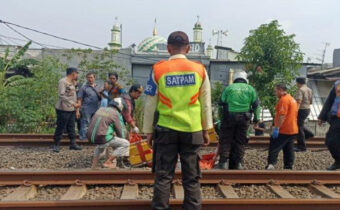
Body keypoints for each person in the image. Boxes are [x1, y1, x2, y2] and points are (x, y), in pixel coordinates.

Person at [143, 31, 212, 210]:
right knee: (192, 176)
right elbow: (205, 104)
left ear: (168, 48)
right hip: (192, 129)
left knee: (164, 175)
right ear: (188, 48)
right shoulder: (199, 69)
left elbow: (150, 103)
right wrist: (207, 130)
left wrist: (148, 131)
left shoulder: (158, 69)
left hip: (166, 129)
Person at [216, 71, 260, 170]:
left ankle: (223, 163)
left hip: (228, 117)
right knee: (241, 141)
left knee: (226, 139)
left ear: (235, 79)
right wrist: (256, 119)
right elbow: (256, 106)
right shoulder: (251, 89)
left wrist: (220, 118)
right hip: (244, 119)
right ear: (245, 79)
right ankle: (238, 163)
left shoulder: (229, 88)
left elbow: (220, 104)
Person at [87, 97, 130, 169]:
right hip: (102, 137)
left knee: (100, 145)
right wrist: (122, 139)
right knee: (125, 143)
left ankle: (94, 166)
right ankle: (108, 162)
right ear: (120, 106)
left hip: (90, 136)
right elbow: (120, 132)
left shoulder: (100, 109)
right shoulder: (116, 113)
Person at [266, 83, 298, 170]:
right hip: (293, 129)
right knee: (288, 149)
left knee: (274, 146)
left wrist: (277, 128)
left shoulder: (284, 100)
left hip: (284, 129)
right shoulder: (291, 99)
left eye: (275, 91)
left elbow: (282, 116)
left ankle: (271, 164)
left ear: (280, 90)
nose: (275, 93)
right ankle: (288, 166)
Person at [53, 67, 82, 153]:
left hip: (72, 109)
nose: (77, 75)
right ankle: (56, 144)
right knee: (61, 126)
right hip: (63, 108)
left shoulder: (72, 83)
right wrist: (73, 103)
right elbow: (61, 95)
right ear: (73, 73)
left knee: (71, 126)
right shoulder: (63, 81)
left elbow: (74, 95)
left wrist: (76, 108)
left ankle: (73, 143)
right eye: (76, 73)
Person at [318, 80, 340, 170]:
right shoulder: (337, 85)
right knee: (330, 141)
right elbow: (329, 101)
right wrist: (322, 116)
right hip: (337, 118)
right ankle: (338, 160)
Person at [77, 72, 102, 140]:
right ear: (86, 78)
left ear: (94, 78)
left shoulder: (99, 87)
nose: (90, 79)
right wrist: (78, 110)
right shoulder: (83, 87)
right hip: (86, 108)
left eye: (91, 77)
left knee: (95, 124)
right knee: (85, 123)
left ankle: (93, 138)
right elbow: (79, 98)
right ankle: (83, 138)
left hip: (96, 108)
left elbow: (102, 97)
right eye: (88, 78)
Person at [294, 77, 314, 152]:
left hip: (301, 109)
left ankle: (302, 147)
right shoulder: (309, 89)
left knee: (299, 127)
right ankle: (309, 134)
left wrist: (295, 111)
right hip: (307, 109)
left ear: (298, 83)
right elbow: (311, 101)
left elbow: (298, 101)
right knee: (300, 125)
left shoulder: (300, 90)